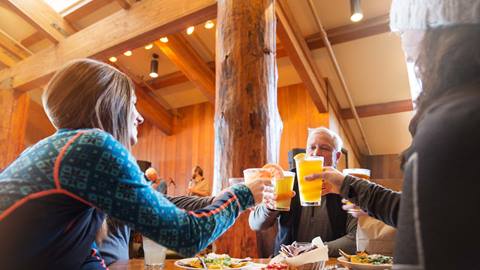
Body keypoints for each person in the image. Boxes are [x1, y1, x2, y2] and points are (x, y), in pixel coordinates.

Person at [0, 59, 270, 270]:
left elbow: (79, 255)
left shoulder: (55, 151)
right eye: (132, 104)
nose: (139, 118)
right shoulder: (91, 146)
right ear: (110, 105)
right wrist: (242, 196)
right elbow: (187, 236)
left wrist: (223, 197)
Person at [310, 1, 480, 268]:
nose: (403, 42)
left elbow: (419, 251)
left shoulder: (451, 125)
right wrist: (346, 184)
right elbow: (415, 213)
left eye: (404, 29)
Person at [249, 127, 357, 257]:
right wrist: (269, 208)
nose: (316, 153)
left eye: (324, 148)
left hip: (329, 263)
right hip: (287, 263)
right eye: (312, 147)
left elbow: (356, 238)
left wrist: (317, 250)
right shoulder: (286, 179)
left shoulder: (345, 187)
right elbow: (255, 224)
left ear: (337, 156)